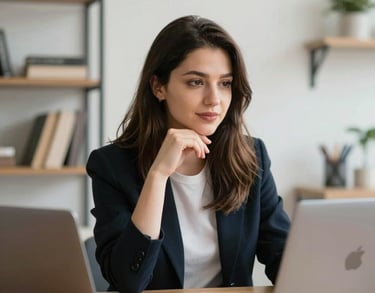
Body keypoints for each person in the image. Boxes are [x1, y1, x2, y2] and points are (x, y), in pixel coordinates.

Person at [86, 15, 290, 293]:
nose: (214, 100)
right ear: (159, 86)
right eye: (196, 82)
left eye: (225, 83)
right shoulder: (112, 165)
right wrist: (158, 176)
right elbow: (128, 282)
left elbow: (283, 257)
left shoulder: (251, 156)